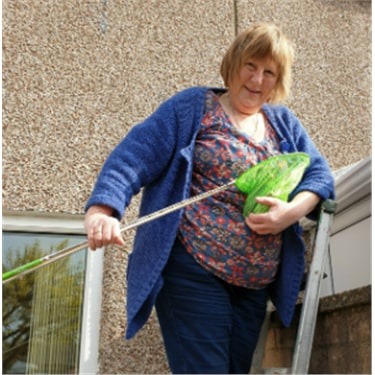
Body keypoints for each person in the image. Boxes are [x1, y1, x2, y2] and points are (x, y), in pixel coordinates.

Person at [84, 22, 335, 374]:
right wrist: (103, 209)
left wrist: (292, 212)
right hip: (193, 272)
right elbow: (133, 157)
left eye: (269, 72)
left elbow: (321, 176)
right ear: (233, 64)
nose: (257, 79)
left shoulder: (283, 123)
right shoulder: (192, 109)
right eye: (251, 65)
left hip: (253, 286)